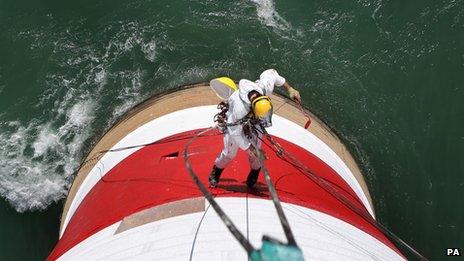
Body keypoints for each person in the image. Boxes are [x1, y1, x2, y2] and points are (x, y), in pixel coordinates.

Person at [209, 69, 301, 188]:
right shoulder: (239, 108)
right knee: (229, 154)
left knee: (258, 155)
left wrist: (290, 89)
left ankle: (254, 172)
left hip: (254, 122)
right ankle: (216, 171)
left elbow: (272, 73)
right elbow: (235, 132)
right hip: (235, 125)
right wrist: (250, 148)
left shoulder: (264, 89)